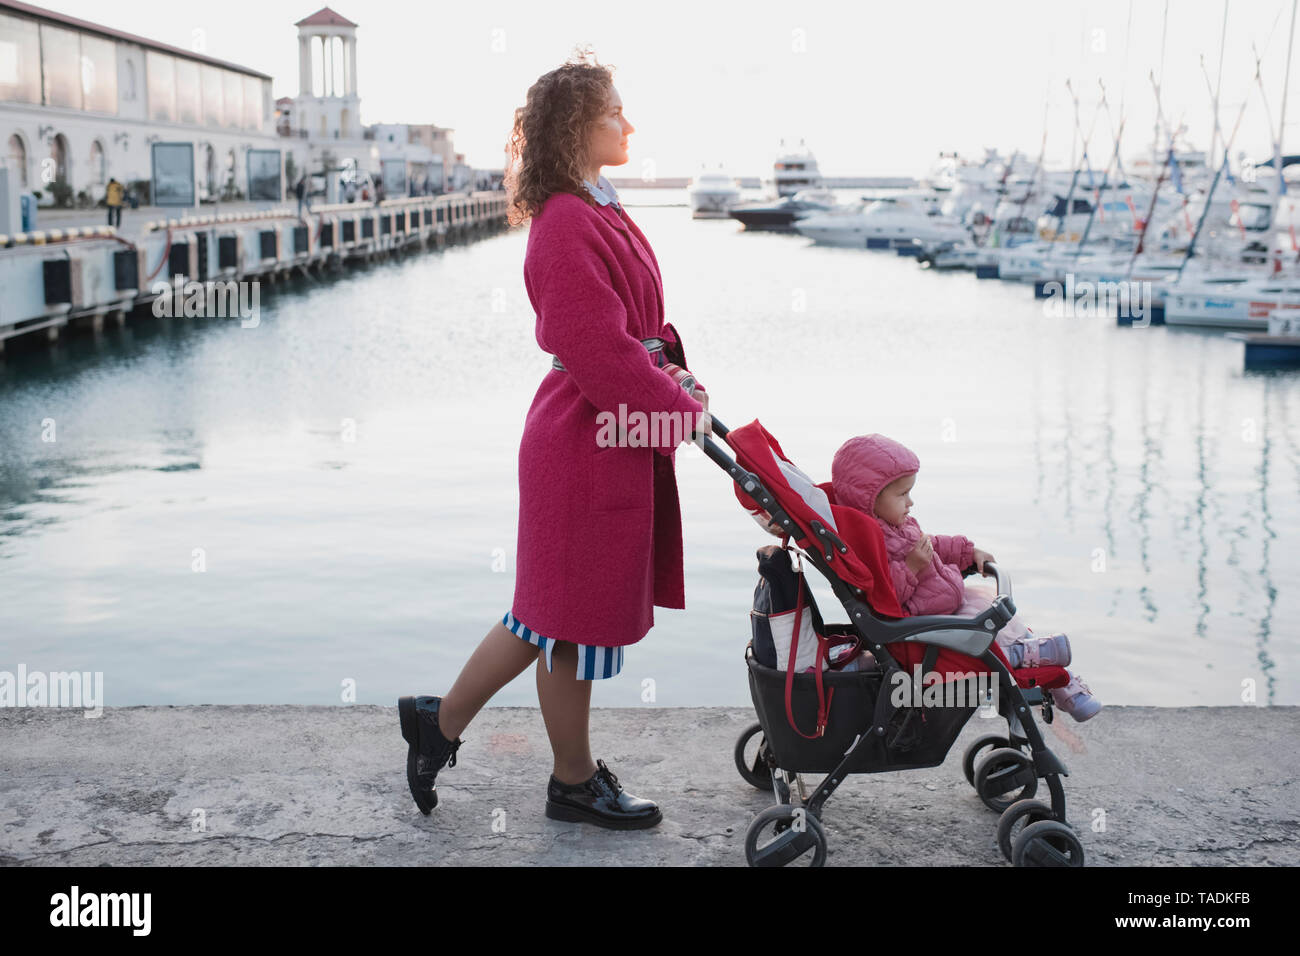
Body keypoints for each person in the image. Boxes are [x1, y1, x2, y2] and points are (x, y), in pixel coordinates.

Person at [398, 54, 712, 829]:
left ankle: (437, 727)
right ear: (579, 126)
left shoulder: (594, 205)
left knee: (544, 616)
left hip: (600, 433)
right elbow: (600, 351)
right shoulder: (568, 222)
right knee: (566, 622)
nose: (629, 125)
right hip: (585, 441)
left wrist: (676, 375)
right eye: (616, 113)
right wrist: (675, 408)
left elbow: (638, 330)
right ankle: (570, 782)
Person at [830, 433, 1101, 721]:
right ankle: (1026, 659)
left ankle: (1060, 680)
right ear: (870, 500)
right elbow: (884, 595)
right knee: (989, 626)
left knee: (1002, 616)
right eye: (902, 495)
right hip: (926, 624)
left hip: (945, 603)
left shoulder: (898, 525)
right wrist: (910, 567)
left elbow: (932, 543)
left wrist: (969, 553)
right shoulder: (870, 541)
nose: (910, 502)